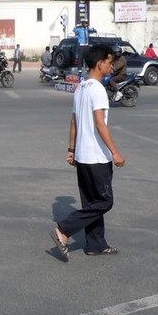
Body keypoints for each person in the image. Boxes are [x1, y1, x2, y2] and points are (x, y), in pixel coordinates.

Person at [50, 44, 125, 261]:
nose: (112, 66)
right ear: (100, 63)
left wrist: (72, 149)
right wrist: (115, 152)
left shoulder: (81, 87)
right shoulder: (98, 89)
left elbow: (74, 121)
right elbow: (100, 124)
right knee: (104, 202)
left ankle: (96, 244)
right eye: (110, 62)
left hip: (83, 156)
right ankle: (64, 230)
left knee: (91, 204)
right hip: (96, 157)